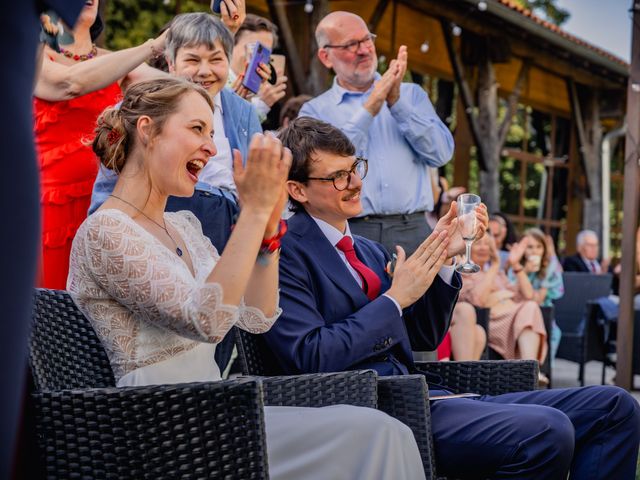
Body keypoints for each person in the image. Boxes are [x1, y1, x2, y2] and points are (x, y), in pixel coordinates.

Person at [68, 77, 426, 480]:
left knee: (385, 430)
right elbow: (206, 320)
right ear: (148, 130)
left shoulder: (183, 225)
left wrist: (269, 231)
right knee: (374, 433)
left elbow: (256, 316)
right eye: (197, 129)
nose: (211, 146)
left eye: (212, 132)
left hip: (214, 410)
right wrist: (252, 213)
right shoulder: (105, 231)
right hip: (159, 430)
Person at [264, 117, 640, 480]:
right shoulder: (284, 254)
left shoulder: (368, 251)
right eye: (337, 176)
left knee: (616, 406)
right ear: (298, 190)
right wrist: (394, 299)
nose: (355, 182)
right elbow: (309, 355)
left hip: (434, 395)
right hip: (381, 410)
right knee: (547, 430)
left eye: (355, 168)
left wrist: (446, 259)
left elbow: (423, 336)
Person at [88, 12, 264, 371]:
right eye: (192, 59)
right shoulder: (143, 112)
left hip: (221, 222)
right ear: (169, 63)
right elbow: (117, 180)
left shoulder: (242, 112)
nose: (205, 70)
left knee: (222, 329)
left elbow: (258, 313)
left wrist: (263, 229)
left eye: (216, 60)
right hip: (153, 220)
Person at [33, 0, 170, 289]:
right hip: (49, 207)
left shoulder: (122, 65)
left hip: (105, 204)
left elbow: (177, 87)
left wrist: (220, 35)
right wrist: (151, 46)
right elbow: (69, 83)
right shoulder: (33, 56)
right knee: (51, 308)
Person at [299, 11, 454, 256]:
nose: (363, 50)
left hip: (413, 229)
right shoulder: (315, 110)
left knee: (426, 296)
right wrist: (370, 107)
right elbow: (324, 168)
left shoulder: (412, 95)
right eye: (351, 44)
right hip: (350, 230)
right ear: (326, 56)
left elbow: (441, 154)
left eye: (366, 40)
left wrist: (397, 104)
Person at [460, 233, 548, 374]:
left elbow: (528, 295)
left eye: (488, 244)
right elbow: (479, 301)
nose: (484, 248)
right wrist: (495, 265)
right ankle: (530, 372)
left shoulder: (500, 275)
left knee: (530, 306)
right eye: (479, 243)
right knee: (529, 309)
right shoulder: (465, 273)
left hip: (514, 317)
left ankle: (529, 370)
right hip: (493, 321)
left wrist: (515, 264)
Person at [229, 14, 287, 124]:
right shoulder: (217, 83)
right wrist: (261, 105)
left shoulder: (264, 90)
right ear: (231, 45)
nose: (257, 59)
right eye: (253, 48)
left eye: (264, 53)